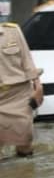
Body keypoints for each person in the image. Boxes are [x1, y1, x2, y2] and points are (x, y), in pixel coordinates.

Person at [0, 21, 43, 157]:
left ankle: (26, 173)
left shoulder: (12, 30)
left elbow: (27, 60)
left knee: (24, 141)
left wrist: (38, 85)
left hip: (18, 94)